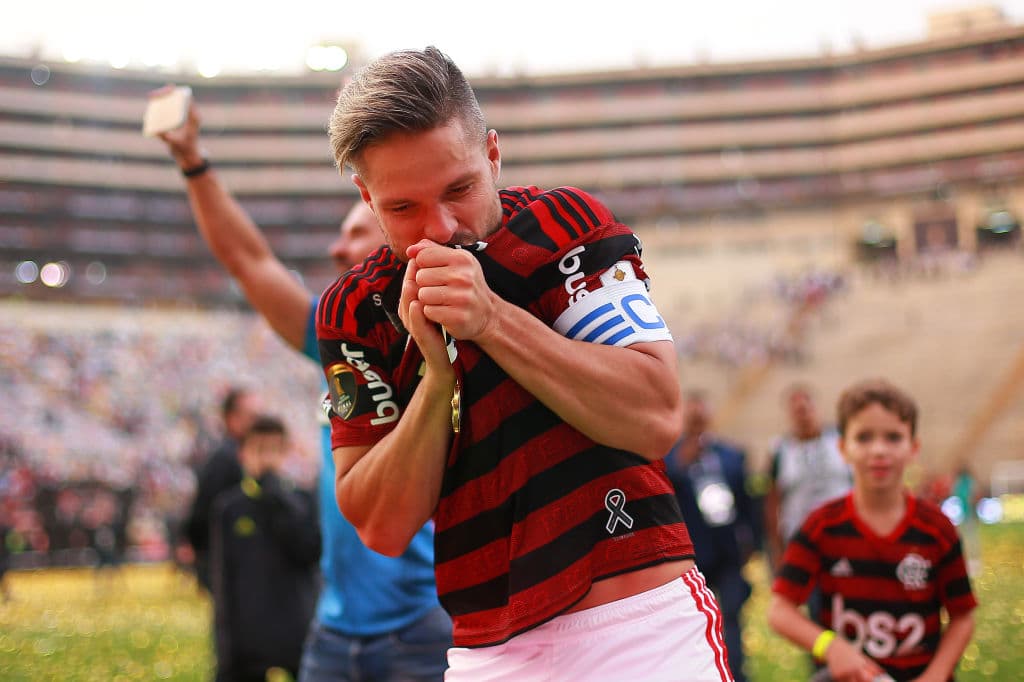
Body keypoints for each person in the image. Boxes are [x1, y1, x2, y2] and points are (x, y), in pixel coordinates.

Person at [317, 46, 730, 680]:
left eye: (460, 188)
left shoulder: (567, 226)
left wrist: (493, 320)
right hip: (489, 649)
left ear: (492, 154)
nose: (441, 227)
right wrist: (436, 375)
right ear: (366, 198)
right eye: (403, 208)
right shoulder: (355, 309)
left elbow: (655, 413)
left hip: (636, 622)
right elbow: (383, 526)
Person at [154, 93, 451, 681]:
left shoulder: (450, 344)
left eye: (355, 231)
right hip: (333, 629)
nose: (337, 248)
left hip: (421, 625)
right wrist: (193, 162)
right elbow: (249, 262)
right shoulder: (339, 340)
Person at [768, 378, 977, 682]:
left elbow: (962, 616)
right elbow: (780, 610)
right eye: (864, 437)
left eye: (893, 437)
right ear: (842, 448)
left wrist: (936, 675)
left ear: (913, 448)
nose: (879, 450)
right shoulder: (820, 525)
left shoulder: (937, 528)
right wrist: (831, 646)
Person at [210, 415, 320, 682]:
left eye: (274, 450)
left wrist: (276, 496)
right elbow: (223, 581)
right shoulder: (229, 508)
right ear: (243, 454)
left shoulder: (301, 502)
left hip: (297, 636)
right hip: (248, 645)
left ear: (286, 453)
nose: (266, 459)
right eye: (259, 449)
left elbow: (309, 551)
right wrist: (225, 650)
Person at [665, 391, 759, 682]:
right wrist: (681, 462)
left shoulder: (730, 454)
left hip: (729, 550)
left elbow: (747, 502)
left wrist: (752, 542)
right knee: (695, 622)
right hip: (691, 555)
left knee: (731, 617)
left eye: (700, 412)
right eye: (690, 413)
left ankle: (735, 675)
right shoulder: (670, 457)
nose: (696, 418)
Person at [764, 383, 852, 573]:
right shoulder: (780, 450)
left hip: (846, 537)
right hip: (802, 541)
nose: (802, 413)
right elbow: (773, 500)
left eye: (806, 407)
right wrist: (777, 547)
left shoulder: (842, 439)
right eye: (796, 410)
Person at [185, 386, 261, 591]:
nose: (259, 423)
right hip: (227, 565)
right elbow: (202, 515)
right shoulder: (225, 460)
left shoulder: (236, 456)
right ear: (232, 418)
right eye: (253, 416)